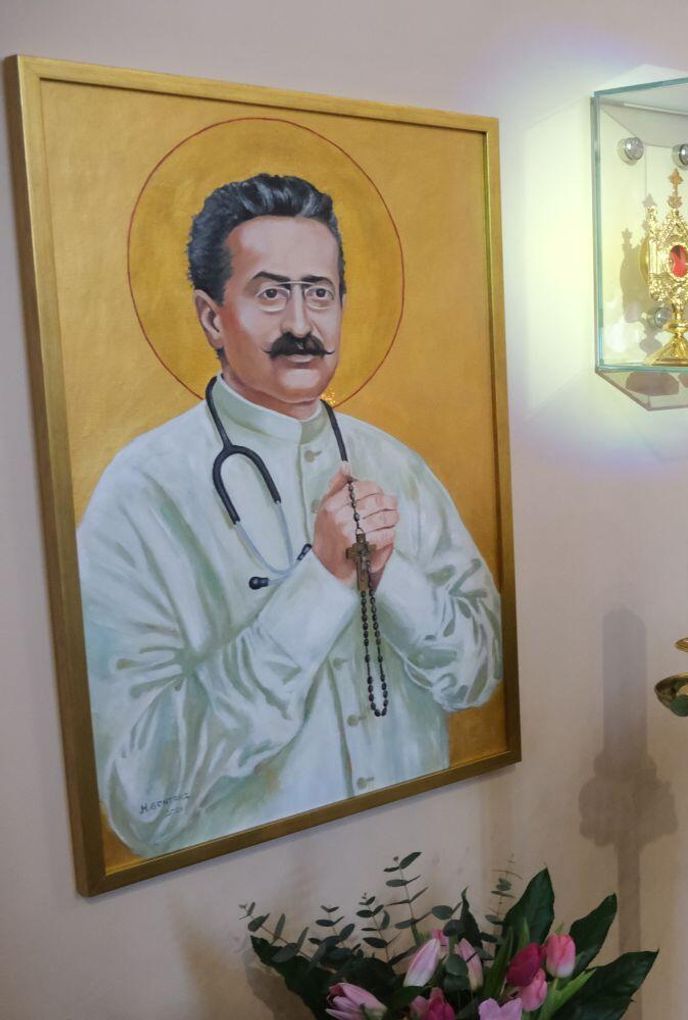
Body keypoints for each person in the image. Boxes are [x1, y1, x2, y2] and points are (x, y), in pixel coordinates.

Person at [78, 174, 503, 857]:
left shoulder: (397, 466)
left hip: (420, 853)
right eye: (271, 294)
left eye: (319, 293)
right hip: (244, 893)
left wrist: (391, 577)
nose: (302, 325)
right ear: (211, 316)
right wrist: (321, 585)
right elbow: (140, 796)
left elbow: (481, 673)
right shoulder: (142, 493)